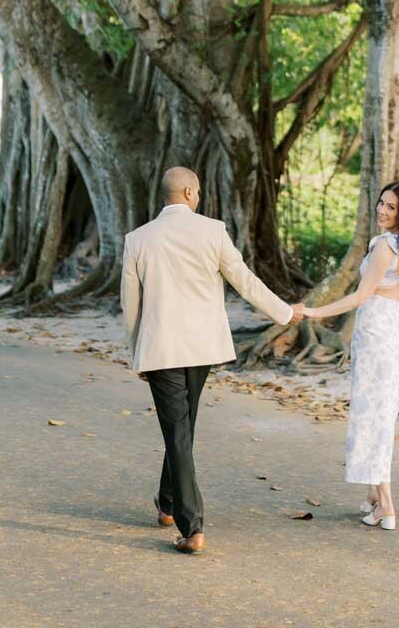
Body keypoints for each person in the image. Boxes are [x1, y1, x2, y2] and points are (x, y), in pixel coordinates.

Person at [120, 166, 302, 554]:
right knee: (182, 427)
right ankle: (168, 505)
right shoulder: (213, 231)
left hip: (160, 348)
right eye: (198, 191)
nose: (199, 197)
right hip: (202, 348)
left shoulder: (138, 239)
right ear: (189, 193)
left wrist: (138, 352)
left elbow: (130, 305)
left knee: (178, 428)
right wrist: (285, 313)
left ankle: (192, 527)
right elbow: (245, 281)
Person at [300, 179, 399, 532]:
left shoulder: (384, 246)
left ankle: (386, 504)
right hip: (397, 332)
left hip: (376, 334)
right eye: (382, 203)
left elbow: (360, 297)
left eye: (391, 207)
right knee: (381, 413)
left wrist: (314, 312)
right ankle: (374, 495)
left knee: (372, 416)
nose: (382, 210)